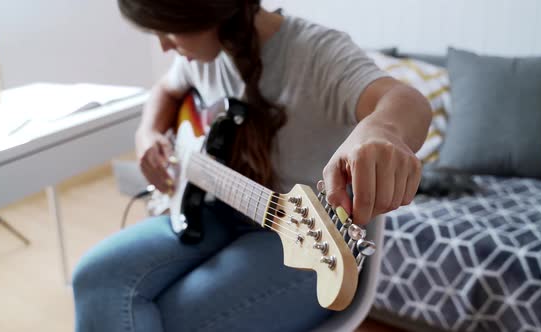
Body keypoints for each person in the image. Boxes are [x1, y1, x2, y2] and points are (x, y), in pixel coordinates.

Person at [72, 1, 432, 331]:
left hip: (304, 242)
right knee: (93, 279)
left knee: (173, 314)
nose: (164, 46)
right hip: (215, 212)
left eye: (168, 29)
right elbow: (165, 89)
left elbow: (404, 100)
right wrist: (147, 132)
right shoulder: (199, 52)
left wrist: (380, 129)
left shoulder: (316, 51)